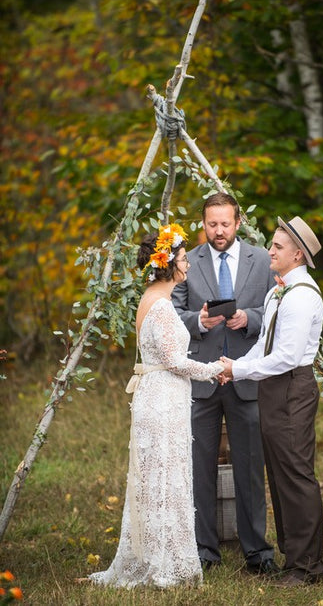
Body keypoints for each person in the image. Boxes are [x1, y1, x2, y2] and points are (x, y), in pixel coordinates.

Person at [89, 224, 224, 589]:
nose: (189, 265)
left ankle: (158, 553)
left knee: (158, 477)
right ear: (167, 264)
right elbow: (175, 361)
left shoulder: (150, 298)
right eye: (183, 259)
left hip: (160, 395)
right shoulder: (162, 307)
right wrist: (215, 369)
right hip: (163, 397)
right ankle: (164, 563)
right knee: (165, 477)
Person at [172, 192, 278, 574]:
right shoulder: (187, 262)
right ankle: (204, 550)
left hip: (246, 377)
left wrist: (248, 318)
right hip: (201, 378)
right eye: (212, 224)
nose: (219, 231)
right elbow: (171, 313)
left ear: (237, 222)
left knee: (250, 466)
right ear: (204, 223)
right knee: (199, 468)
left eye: (225, 224)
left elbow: (277, 309)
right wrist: (199, 322)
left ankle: (258, 553)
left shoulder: (263, 259)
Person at [220, 216, 323, 587]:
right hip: (272, 387)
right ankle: (293, 559)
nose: (270, 251)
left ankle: (308, 567)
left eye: (277, 247)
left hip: (292, 388)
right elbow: (262, 345)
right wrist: (236, 364)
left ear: (297, 254)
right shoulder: (277, 292)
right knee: (280, 475)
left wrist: (240, 373)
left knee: (297, 475)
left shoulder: (301, 297)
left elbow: (285, 357)